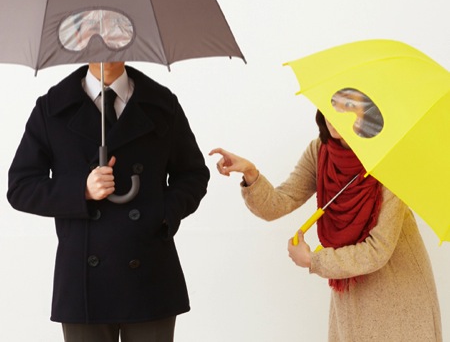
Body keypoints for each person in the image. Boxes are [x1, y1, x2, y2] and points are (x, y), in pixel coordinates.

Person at [8, 61, 209, 342]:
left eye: (117, 36)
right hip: (83, 282)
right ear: (80, 41)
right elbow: (21, 187)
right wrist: (82, 190)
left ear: (130, 40)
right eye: (95, 38)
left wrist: (163, 214)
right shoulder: (52, 108)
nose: (106, 44)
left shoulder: (162, 103)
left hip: (150, 272)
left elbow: (192, 174)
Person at [209, 102, 442, 341]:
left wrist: (314, 260)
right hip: (352, 293)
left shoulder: (388, 158)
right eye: (332, 105)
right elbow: (278, 204)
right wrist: (250, 173)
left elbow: (378, 250)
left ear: (367, 110)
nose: (334, 115)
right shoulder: (320, 151)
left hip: (400, 291)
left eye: (347, 107)